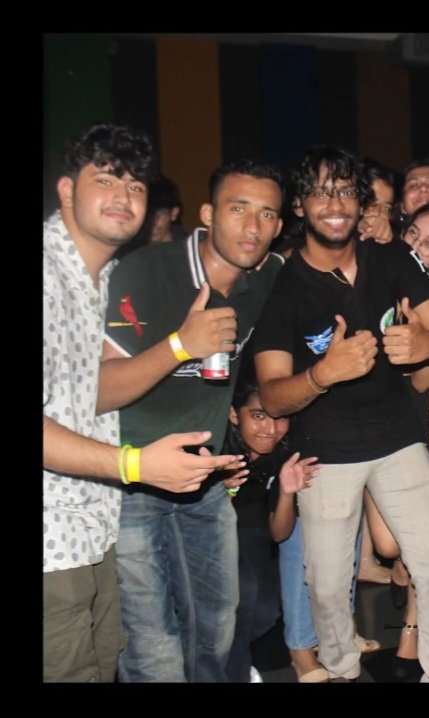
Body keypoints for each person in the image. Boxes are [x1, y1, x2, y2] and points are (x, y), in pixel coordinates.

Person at [253, 145, 429, 682]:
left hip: (399, 439)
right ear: (299, 205)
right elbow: (272, 396)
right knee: (326, 587)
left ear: (361, 202)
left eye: (346, 191)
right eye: (321, 192)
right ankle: (342, 670)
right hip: (325, 453)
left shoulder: (389, 259)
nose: (335, 204)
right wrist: (324, 373)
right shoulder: (284, 287)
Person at [43, 123, 240, 683]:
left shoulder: (108, 280)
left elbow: (93, 394)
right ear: (66, 190)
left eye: (135, 186)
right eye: (106, 180)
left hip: (95, 525)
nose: (123, 197)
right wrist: (134, 464)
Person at [100, 158, 287, 682]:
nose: (252, 227)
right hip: (132, 481)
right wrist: (182, 345)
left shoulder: (267, 276)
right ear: (208, 214)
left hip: (204, 479)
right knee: (152, 645)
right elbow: (98, 390)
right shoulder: (147, 271)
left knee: (218, 627)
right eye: (238, 209)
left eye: (267, 214)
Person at [222, 377, 320, 683]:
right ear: (234, 415)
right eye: (258, 416)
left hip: (253, 539)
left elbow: (279, 533)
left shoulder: (284, 454)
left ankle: (231, 660)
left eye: (280, 418)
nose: (271, 429)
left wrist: (288, 491)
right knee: (232, 601)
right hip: (210, 539)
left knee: (265, 611)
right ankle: (233, 668)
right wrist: (219, 490)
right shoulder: (216, 450)